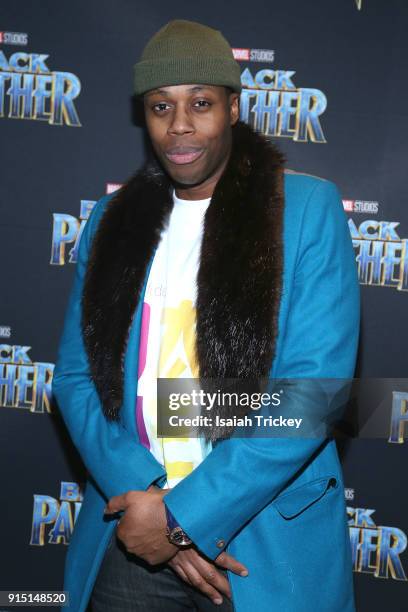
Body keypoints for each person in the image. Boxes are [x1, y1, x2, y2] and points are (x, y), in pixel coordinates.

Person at [52, 19, 360, 612]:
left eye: (201, 103)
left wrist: (184, 518)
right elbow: (73, 379)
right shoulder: (112, 220)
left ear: (235, 108)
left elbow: (314, 395)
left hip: (262, 536)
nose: (181, 125)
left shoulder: (304, 210)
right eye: (161, 106)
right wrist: (147, 506)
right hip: (130, 532)